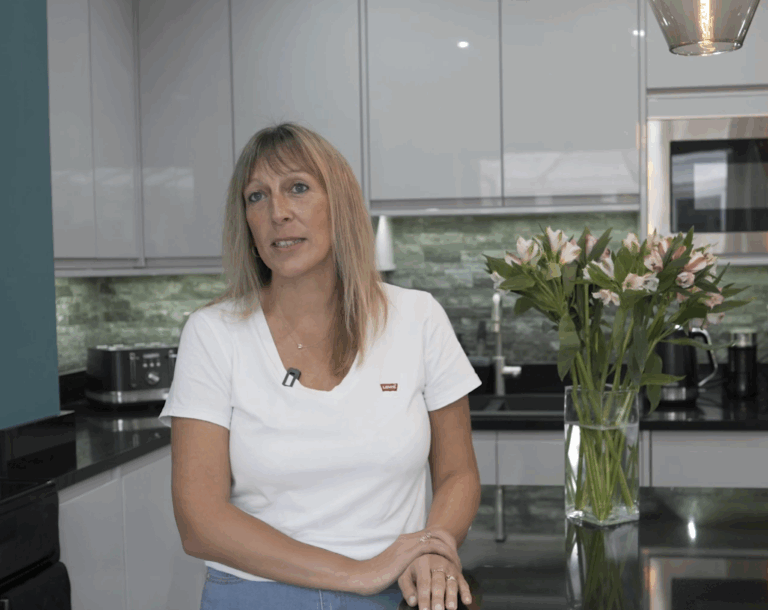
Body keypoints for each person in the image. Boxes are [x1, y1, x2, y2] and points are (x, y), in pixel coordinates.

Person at [158, 123, 483, 610]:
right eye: (256, 197)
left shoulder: (418, 317)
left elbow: (458, 473)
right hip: (256, 592)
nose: (278, 213)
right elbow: (199, 521)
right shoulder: (213, 332)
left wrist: (434, 547)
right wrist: (360, 574)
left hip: (401, 590)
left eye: (298, 188)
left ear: (341, 203)